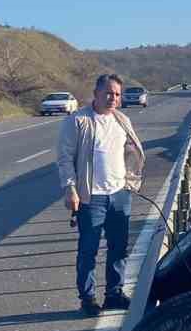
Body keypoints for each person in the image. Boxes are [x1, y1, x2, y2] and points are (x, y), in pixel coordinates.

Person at [56, 73, 145, 316]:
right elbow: (64, 158)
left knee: (119, 247)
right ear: (95, 93)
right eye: (108, 93)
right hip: (90, 196)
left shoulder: (122, 120)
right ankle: (88, 299)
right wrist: (70, 188)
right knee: (89, 249)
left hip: (119, 194)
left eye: (117, 94)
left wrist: (130, 179)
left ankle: (114, 294)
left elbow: (130, 151)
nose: (112, 98)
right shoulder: (79, 121)